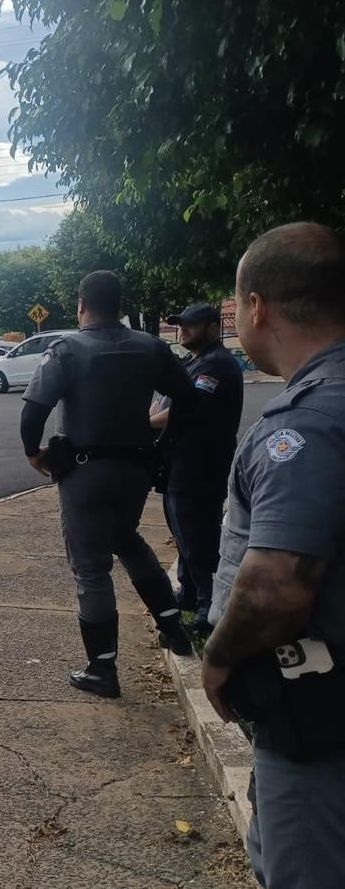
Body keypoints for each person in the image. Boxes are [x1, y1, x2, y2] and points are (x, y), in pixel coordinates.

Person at [201, 222, 345, 889]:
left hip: (317, 719)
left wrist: (220, 656)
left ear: (257, 307)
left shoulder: (304, 423)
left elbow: (275, 587)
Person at [20, 270, 196, 699]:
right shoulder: (151, 347)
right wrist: (159, 443)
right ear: (119, 305)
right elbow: (187, 399)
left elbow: (33, 412)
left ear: (81, 305)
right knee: (126, 539)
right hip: (136, 469)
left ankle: (102, 670)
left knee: (91, 567)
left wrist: (33, 453)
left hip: (85, 471)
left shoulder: (66, 350)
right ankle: (173, 627)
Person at [150, 303, 244, 633]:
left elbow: (188, 408)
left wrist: (144, 422)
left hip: (201, 464)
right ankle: (189, 593)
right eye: (180, 324)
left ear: (213, 326)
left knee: (198, 536)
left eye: (191, 324)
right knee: (183, 532)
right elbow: (168, 398)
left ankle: (208, 606)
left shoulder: (216, 364)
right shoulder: (195, 362)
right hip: (181, 462)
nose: (183, 329)